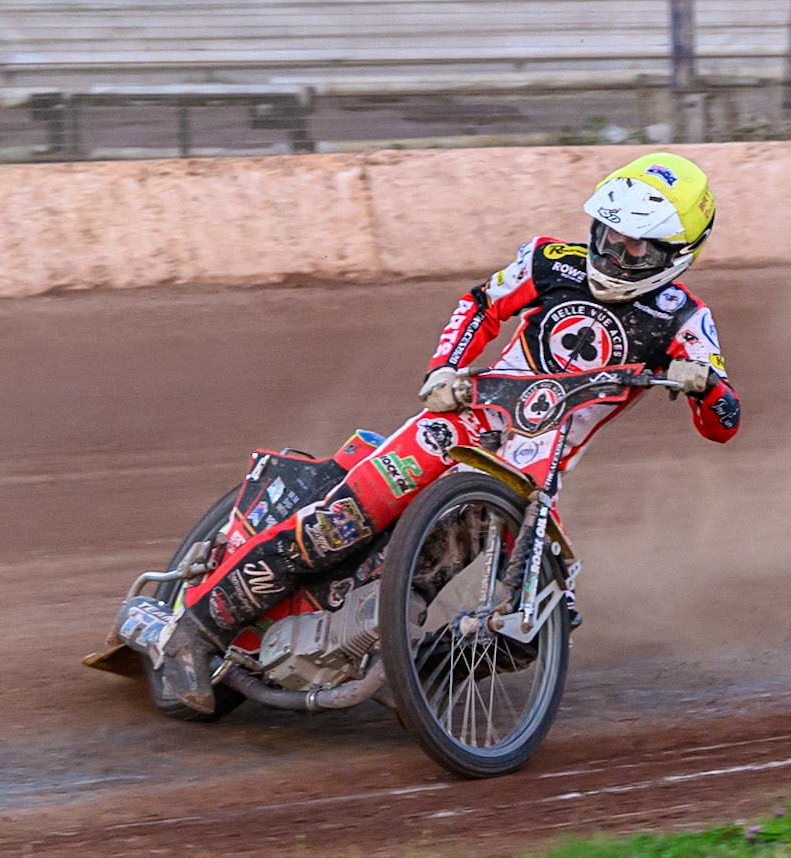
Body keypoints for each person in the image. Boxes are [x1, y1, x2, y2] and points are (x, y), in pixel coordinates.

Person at [151, 153, 741, 714]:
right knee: (340, 523)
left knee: (525, 620)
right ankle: (195, 632)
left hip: (534, 465)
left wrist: (704, 386)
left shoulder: (685, 319)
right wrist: (445, 367)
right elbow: (482, 303)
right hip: (460, 419)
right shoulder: (548, 259)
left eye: (635, 243)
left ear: (674, 253)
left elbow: (723, 424)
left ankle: (408, 678)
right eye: (608, 232)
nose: (614, 250)